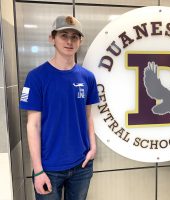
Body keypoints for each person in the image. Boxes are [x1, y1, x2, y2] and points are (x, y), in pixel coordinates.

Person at [19, 15, 99, 200]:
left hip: (82, 166)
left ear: (81, 41)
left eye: (74, 37)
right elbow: (33, 125)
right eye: (64, 35)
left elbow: (88, 117)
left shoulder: (87, 77)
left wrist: (92, 148)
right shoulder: (36, 77)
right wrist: (38, 170)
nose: (69, 41)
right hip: (49, 168)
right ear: (52, 38)